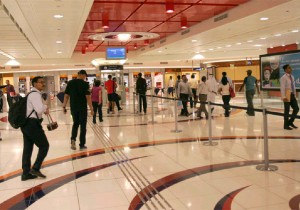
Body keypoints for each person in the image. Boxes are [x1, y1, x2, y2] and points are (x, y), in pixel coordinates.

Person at [21, 76, 50, 181]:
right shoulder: (35, 95)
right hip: (32, 124)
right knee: (44, 146)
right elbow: (39, 110)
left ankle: (25, 173)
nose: (43, 84)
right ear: (34, 84)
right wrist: (45, 107)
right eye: (41, 82)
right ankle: (35, 168)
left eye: (43, 82)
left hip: (26, 124)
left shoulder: (31, 94)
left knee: (28, 148)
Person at [62, 70, 93, 150]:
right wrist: (91, 109)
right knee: (83, 126)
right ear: (82, 75)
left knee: (75, 124)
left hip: (74, 108)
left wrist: (64, 106)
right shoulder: (85, 84)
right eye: (85, 76)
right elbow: (88, 97)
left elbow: (66, 96)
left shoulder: (70, 83)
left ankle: (73, 139)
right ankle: (82, 144)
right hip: (82, 108)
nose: (85, 77)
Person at [280, 64, 299, 130]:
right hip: (287, 94)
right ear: (285, 70)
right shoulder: (283, 77)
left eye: (290, 68)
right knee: (287, 110)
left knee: (296, 108)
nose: (291, 69)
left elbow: (293, 86)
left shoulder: (292, 77)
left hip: (292, 94)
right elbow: (282, 88)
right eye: (289, 68)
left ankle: (290, 122)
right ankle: (285, 125)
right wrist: (283, 97)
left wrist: (294, 93)